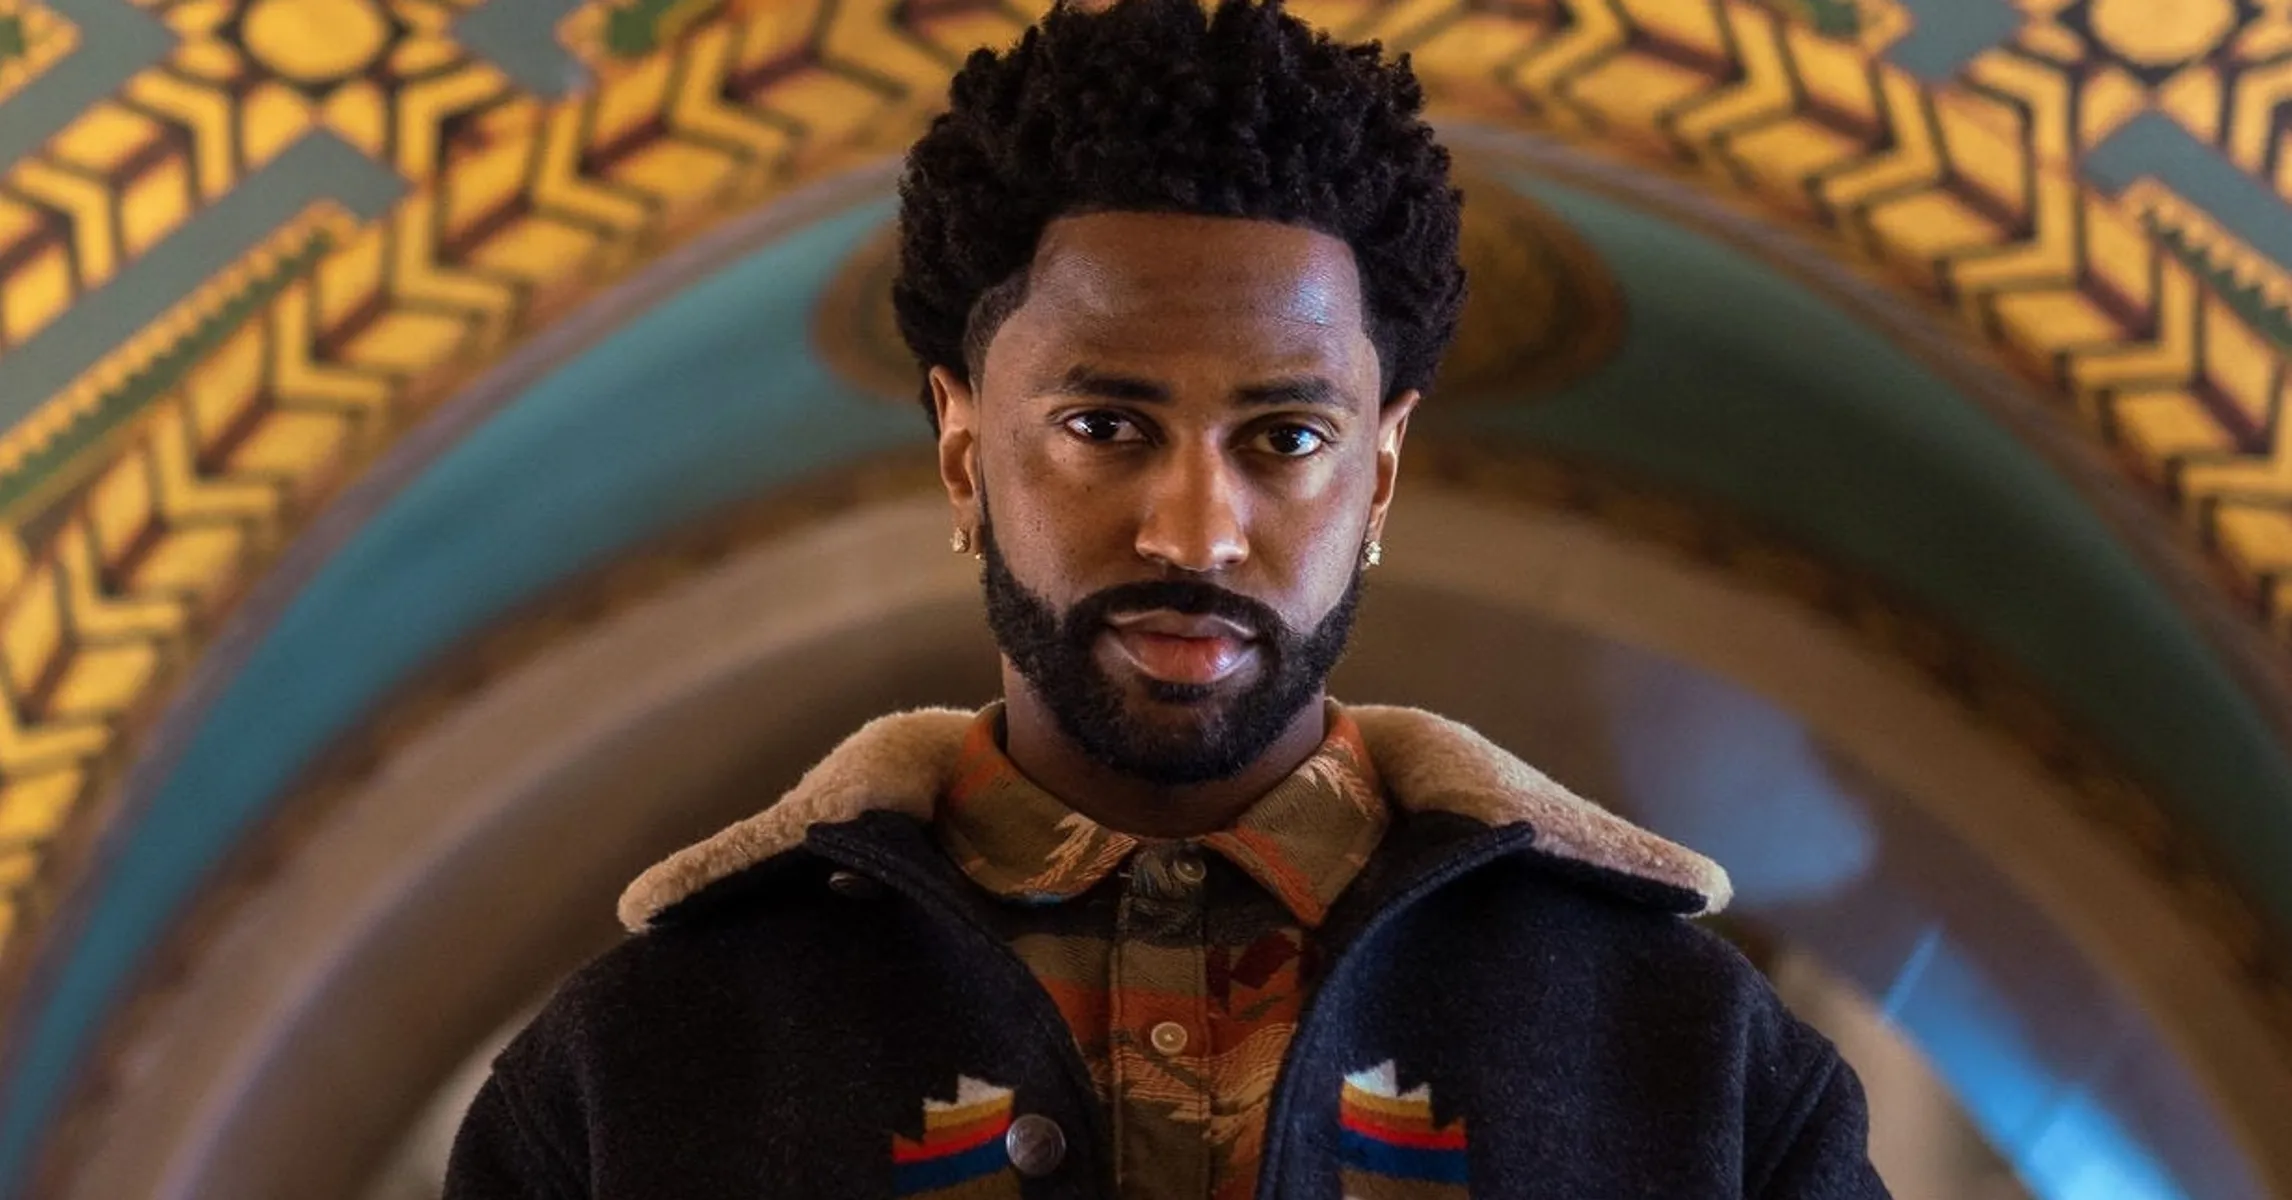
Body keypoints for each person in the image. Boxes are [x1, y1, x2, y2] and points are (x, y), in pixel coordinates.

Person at [443, 0, 1891, 1194]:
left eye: (1288, 439)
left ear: (1381, 474)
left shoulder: (1698, 1064)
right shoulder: (638, 1066)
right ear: (963, 451)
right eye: (1106, 426)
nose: (1195, 532)